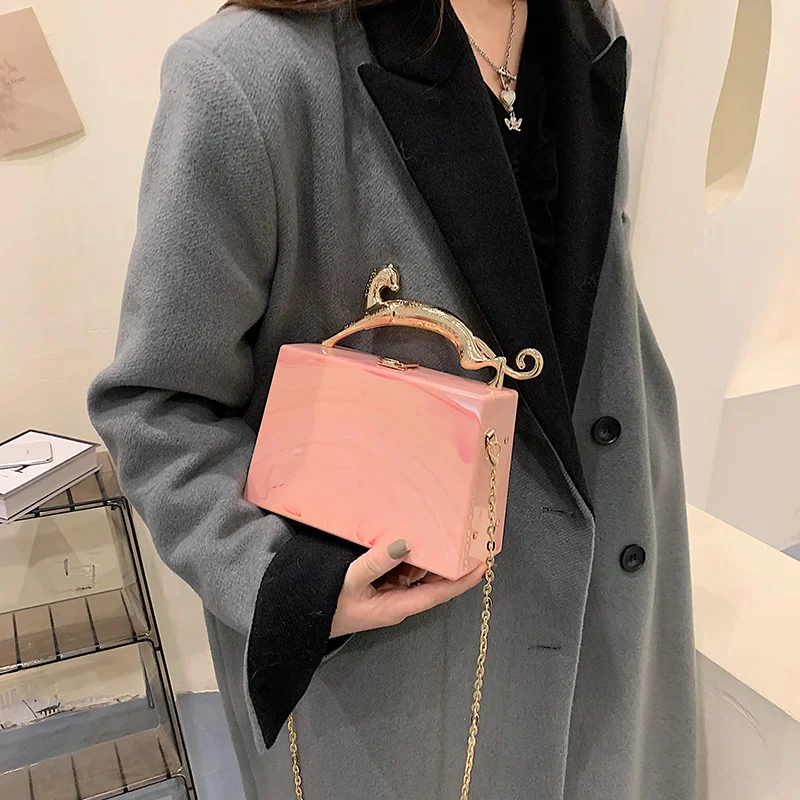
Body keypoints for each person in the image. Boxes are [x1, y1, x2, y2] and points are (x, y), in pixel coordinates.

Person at [87, 0, 697, 798]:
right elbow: (158, 406)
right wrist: (293, 585)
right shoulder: (250, 75)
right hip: (408, 661)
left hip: (613, 584)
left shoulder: (583, 21)